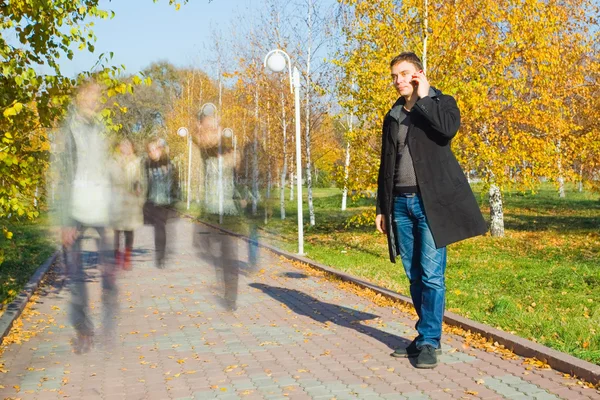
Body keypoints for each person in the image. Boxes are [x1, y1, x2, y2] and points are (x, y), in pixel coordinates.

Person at [375, 52, 487, 368]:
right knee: (413, 275)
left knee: (432, 275)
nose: (398, 81)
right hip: (399, 204)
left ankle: (429, 341)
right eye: (394, 76)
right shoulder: (393, 115)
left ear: (419, 74)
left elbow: (447, 130)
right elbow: (386, 165)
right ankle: (425, 333)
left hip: (431, 205)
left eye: (404, 74)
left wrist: (425, 97)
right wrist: (382, 207)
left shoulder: (442, 103)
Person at [49, 79, 118, 353]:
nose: (93, 99)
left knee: (109, 271)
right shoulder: (68, 130)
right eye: (88, 95)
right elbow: (61, 175)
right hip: (75, 208)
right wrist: (64, 219)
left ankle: (108, 326)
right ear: (78, 97)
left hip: (100, 206)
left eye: (96, 95)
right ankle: (84, 329)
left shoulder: (100, 128)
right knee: (76, 273)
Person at [108, 138, 145, 271]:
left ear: (132, 147)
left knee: (129, 230)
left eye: (128, 145)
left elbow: (140, 179)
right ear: (119, 147)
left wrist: (139, 191)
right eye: (123, 144)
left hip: (130, 200)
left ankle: (127, 258)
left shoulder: (136, 162)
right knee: (117, 231)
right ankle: (117, 257)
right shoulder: (112, 161)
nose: (125, 147)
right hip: (116, 199)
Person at [143, 138, 179, 269]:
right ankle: (160, 254)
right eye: (150, 150)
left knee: (160, 227)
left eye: (155, 149)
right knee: (158, 227)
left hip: (165, 201)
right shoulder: (147, 165)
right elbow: (144, 182)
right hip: (152, 200)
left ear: (160, 150)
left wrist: (175, 198)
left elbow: (175, 182)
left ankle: (161, 255)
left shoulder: (168, 163)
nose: (153, 152)